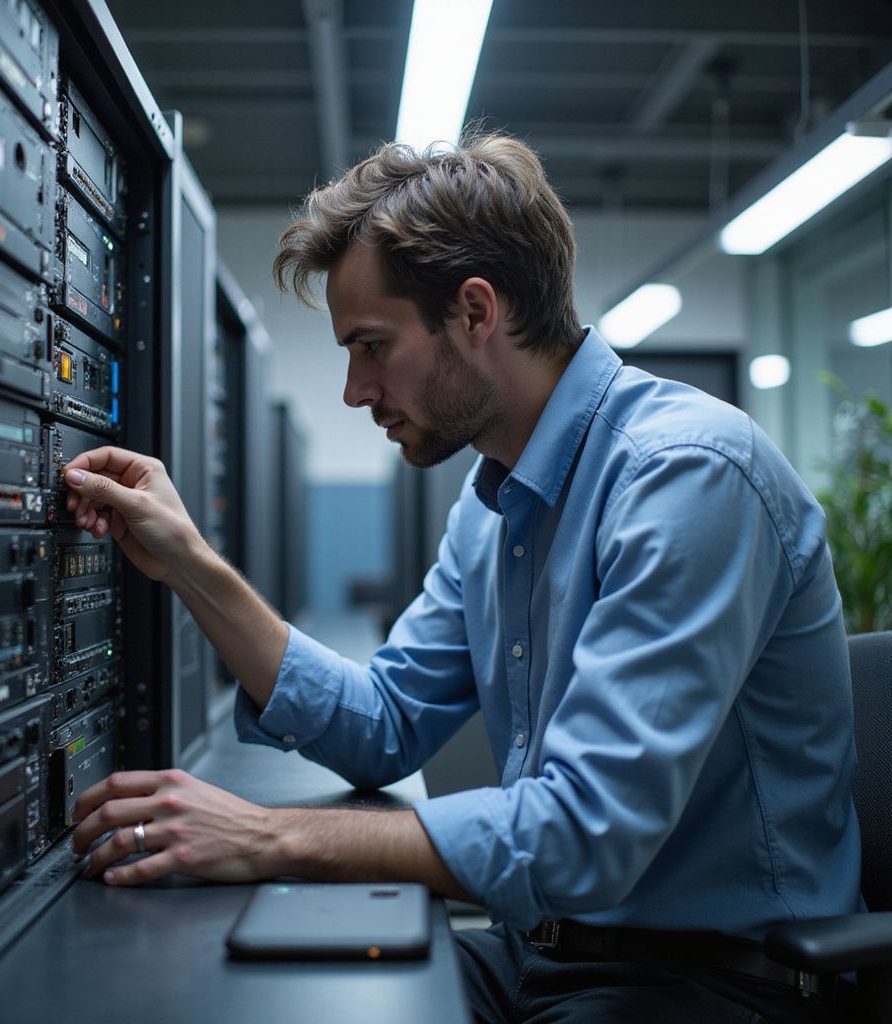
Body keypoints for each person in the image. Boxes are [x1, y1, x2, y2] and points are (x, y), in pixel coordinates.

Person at [66, 133, 860, 1023]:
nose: (354, 391)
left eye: (371, 346)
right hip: (540, 956)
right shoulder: (492, 508)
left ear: (476, 312)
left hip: (711, 986)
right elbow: (385, 725)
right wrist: (188, 563)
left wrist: (265, 836)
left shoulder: (687, 475)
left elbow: (585, 834)